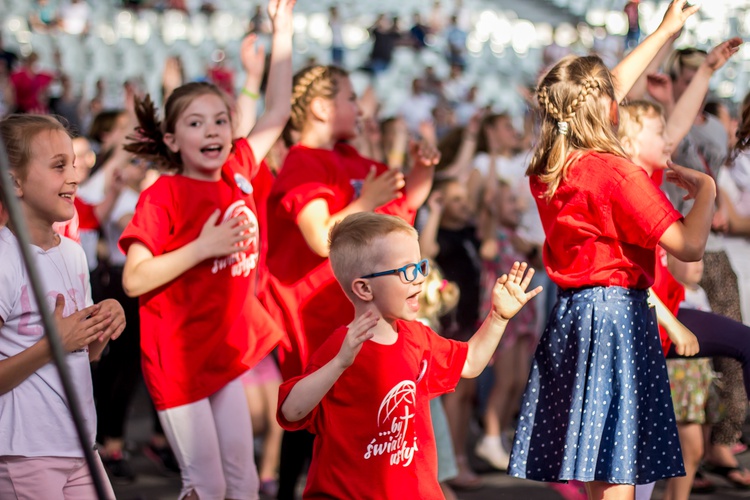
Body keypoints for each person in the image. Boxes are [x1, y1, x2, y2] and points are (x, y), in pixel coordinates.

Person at [507, 1, 716, 497]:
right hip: (619, 317)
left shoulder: (551, 166)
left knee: (603, 464)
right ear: (602, 105)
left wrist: (664, 31)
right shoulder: (616, 172)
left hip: (575, 315)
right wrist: (705, 189)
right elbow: (688, 245)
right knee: (619, 467)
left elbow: (603, 89)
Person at [118, 0, 295, 497]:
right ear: (172, 139)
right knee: (208, 486)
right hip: (177, 362)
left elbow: (277, 110)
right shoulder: (164, 194)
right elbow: (134, 278)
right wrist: (202, 247)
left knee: (242, 484)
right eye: (196, 124)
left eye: (220, 120)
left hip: (223, 354)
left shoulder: (239, 169)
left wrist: (283, 32)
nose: (212, 131)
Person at [263, 63, 437, 499]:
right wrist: (366, 201)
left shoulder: (351, 159)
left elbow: (401, 209)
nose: (358, 108)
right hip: (317, 321)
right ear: (322, 108)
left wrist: (422, 170)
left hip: (357, 317)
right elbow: (321, 236)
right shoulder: (304, 160)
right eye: (350, 98)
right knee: (308, 422)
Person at [277, 212, 542, 499]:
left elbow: (470, 363)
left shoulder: (417, 336)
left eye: (420, 266)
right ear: (364, 288)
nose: (418, 279)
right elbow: (292, 412)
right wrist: (339, 363)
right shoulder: (341, 347)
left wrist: (498, 317)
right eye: (406, 271)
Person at [0, 114, 125, 499]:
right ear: (14, 181)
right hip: (25, 452)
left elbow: (84, 355)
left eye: (73, 163)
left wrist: (103, 323)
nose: (74, 176)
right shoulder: (4, 259)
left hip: (79, 444)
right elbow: (56, 345)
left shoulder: (72, 253)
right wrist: (52, 343)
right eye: (59, 166)